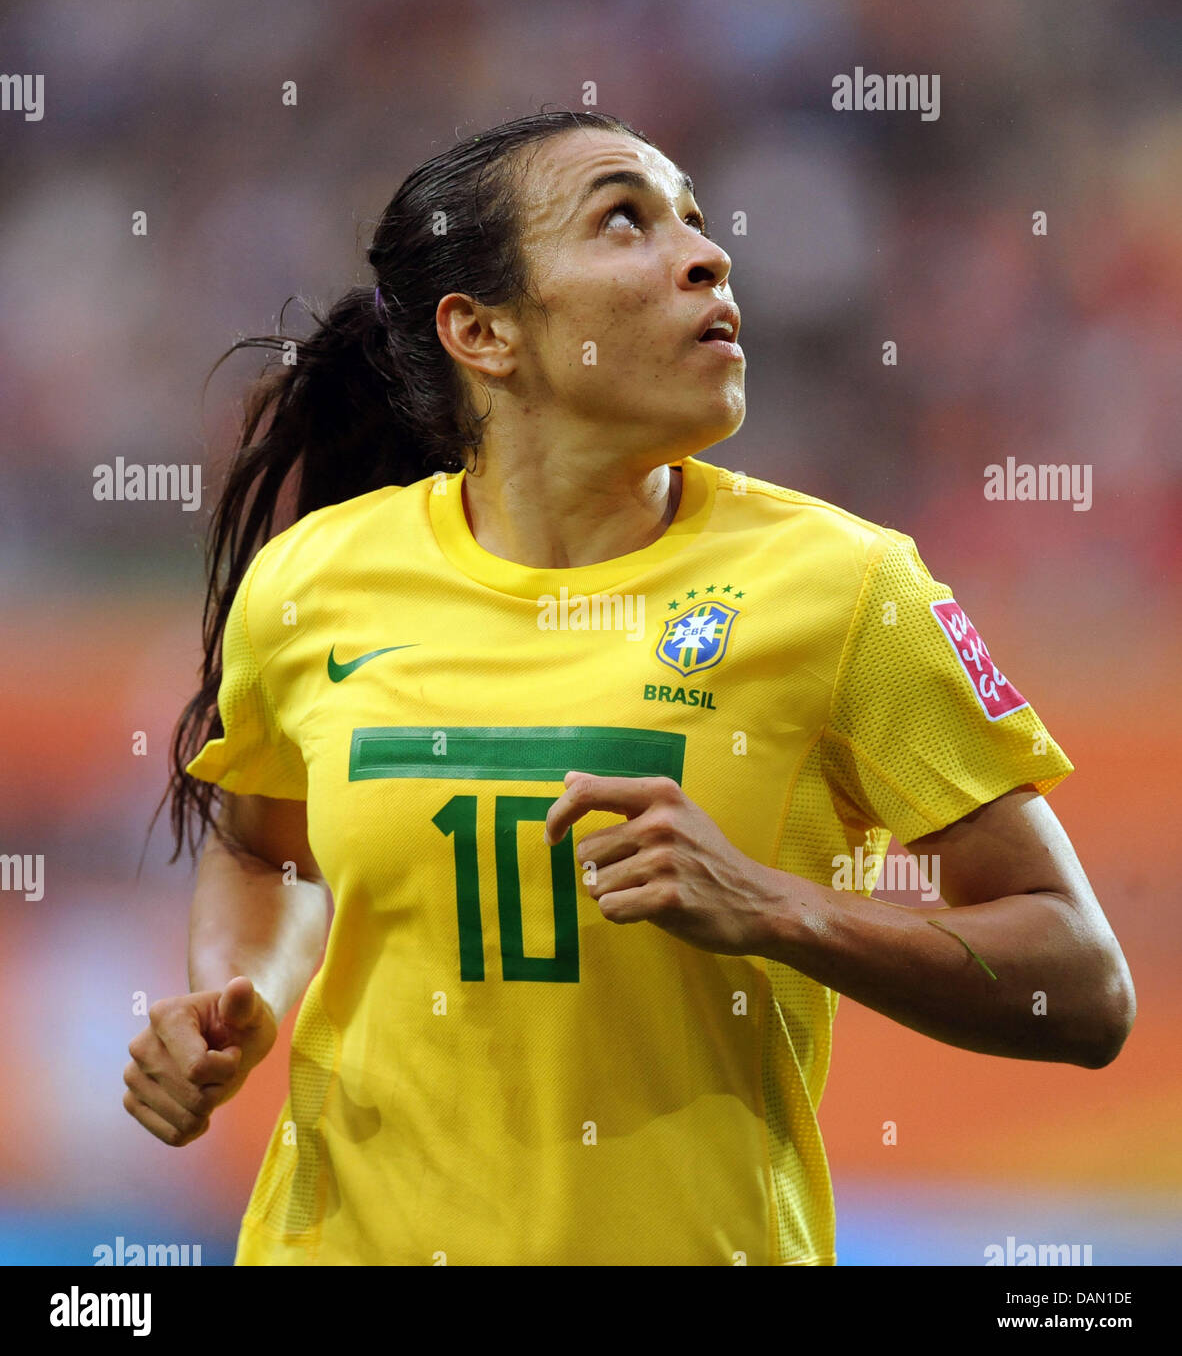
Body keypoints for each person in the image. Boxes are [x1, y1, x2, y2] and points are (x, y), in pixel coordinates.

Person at [126, 109, 1135, 1266]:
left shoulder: (848, 590)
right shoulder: (312, 579)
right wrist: (232, 1000)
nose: (706, 254)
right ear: (482, 331)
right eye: (625, 220)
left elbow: (1085, 986)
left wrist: (775, 907)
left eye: (696, 222)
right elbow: (266, 849)